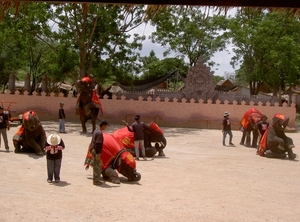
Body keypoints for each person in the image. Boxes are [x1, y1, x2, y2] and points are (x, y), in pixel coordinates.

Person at [89, 120, 109, 185]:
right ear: (103, 126)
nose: (106, 127)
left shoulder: (96, 130)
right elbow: (98, 144)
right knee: (97, 166)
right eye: (106, 126)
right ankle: (96, 180)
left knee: (96, 165)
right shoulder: (99, 133)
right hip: (96, 150)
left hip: (92, 149)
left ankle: (96, 179)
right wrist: (98, 153)